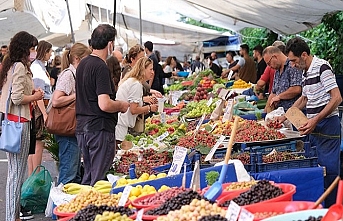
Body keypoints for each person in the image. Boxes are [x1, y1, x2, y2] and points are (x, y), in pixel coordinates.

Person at [284, 37, 342, 207]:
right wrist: (285, 116)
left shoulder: (322, 67)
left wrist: (315, 119)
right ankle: (321, 208)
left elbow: (337, 97)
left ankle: (333, 210)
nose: (293, 65)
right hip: (314, 128)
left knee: (329, 171)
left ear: (304, 55)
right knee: (319, 171)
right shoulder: (305, 71)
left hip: (328, 127)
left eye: (294, 61)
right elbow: (304, 98)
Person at [75, 24, 129, 186]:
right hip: (99, 129)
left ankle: (80, 208)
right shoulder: (100, 67)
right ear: (110, 44)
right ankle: (88, 209)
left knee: (89, 176)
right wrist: (120, 105)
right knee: (97, 181)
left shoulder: (83, 64)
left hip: (83, 128)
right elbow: (104, 104)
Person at [0, 31, 43, 221]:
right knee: (16, 173)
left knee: (15, 171)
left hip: (16, 122)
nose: (34, 52)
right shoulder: (18, 67)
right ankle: (11, 216)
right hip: (20, 123)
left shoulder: (13, 65)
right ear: (24, 48)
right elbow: (17, 98)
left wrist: (31, 91)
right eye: (32, 48)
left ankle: (14, 214)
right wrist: (35, 96)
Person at [52, 43, 91, 185]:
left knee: (73, 173)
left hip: (73, 130)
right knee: (68, 173)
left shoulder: (74, 74)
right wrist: (77, 95)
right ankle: (61, 204)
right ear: (77, 59)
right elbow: (56, 100)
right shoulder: (68, 75)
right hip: (67, 131)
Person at [115, 57, 159, 143]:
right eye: (150, 69)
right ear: (143, 69)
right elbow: (133, 110)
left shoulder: (133, 81)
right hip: (121, 126)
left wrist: (143, 109)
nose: (152, 72)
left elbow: (131, 104)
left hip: (120, 124)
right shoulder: (136, 85)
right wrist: (149, 108)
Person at [28, 40, 53, 176]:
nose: (50, 55)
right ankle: (35, 174)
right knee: (38, 143)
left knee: (35, 144)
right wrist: (44, 113)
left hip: (38, 106)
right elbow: (38, 94)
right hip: (39, 107)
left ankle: (32, 175)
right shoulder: (37, 68)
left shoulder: (39, 67)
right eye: (49, 52)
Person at [263, 46, 302, 112]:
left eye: (269, 63)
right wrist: (265, 111)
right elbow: (273, 93)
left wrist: (279, 96)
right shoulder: (277, 71)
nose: (269, 67)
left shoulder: (293, 65)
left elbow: (296, 89)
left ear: (275, 57)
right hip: (279, 113)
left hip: (293, 114)